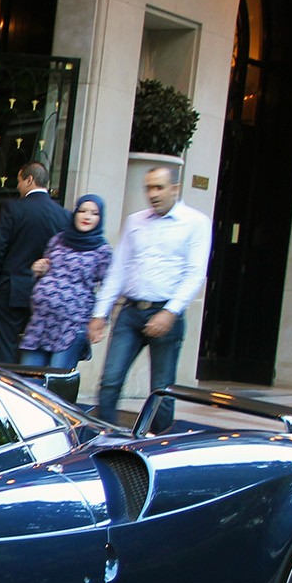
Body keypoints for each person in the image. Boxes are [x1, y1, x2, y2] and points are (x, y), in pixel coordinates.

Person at [89, 165, 212, 430]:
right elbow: (119, 269)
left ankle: (158, 445)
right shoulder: (135, 221)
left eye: (159, 187)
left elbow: (195, 274)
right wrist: (100, 313)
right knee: (110, 380)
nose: (153, 194)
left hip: (166, 312)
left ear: (174, 189)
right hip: (131, 312)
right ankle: (101, 439)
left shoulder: (196, 222)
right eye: (148, 188)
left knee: (162, 390)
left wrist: (170, 312)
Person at [0, 161, 72, 364]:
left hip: (9, 289)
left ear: (29, 180)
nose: (18, 186)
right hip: (46, 292)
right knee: (36, 350)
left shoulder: (13, 208)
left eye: (20, 181)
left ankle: (6, 387)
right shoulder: (64, 215)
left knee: (5, 349)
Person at [20, 193, 112, 369]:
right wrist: (38, 269)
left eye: (94, 213)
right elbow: (46, 269)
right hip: (41, 323)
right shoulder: (58, 240)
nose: (87, 216)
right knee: (27, 382)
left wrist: (100, 320)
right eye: (82, 211)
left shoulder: (103, 251)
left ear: (100, 218)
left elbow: (109, 288)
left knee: (56, 384)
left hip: (71, 326)